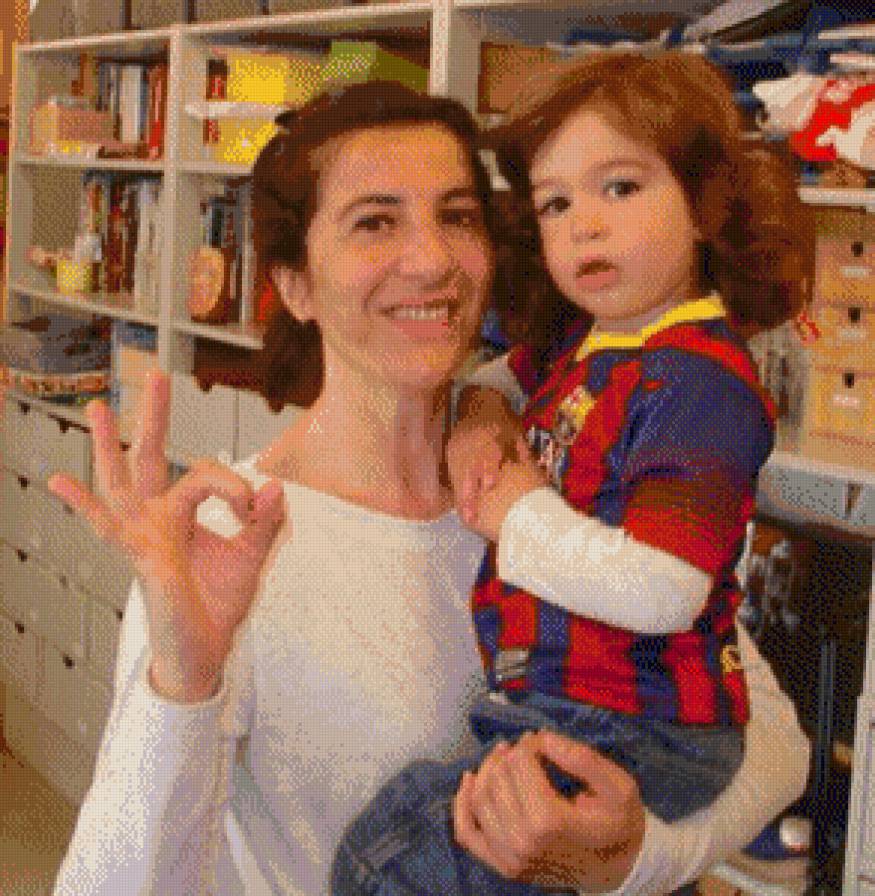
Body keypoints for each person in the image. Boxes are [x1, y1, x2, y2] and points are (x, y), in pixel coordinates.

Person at [47, 80, 809, 896]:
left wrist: (628, 861)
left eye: (457, 216)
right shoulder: (232, 544)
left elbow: (777, 743)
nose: (433, 259)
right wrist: (181, 685)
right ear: (295, 284)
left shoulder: (558, 477)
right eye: (375, 222)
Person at [333, 53, 814, 896]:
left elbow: (664, 589)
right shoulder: (597, 339)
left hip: (634, 721)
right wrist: (482, 415)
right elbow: (500, 377)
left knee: (391, 861)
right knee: (405, 826)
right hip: (573, 704)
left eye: (619, 187)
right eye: (555, 203)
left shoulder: (697, 383)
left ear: (705, 205)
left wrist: (516, 514)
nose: (583, 224)